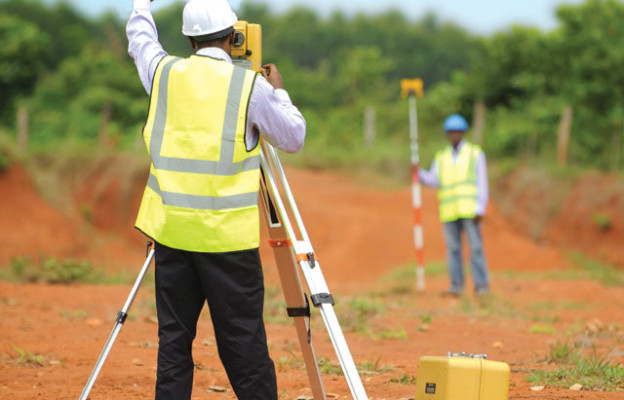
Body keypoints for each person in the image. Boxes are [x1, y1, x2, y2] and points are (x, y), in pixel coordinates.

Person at [126, 0, 306, 399]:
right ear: (234, 35)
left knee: (173, 343)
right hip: (227, 244)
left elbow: (141, 42)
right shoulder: (249, 86)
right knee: (244, 346)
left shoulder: (164, 73)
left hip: (172, 236)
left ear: (188, 38)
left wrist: (141, 4)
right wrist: (280, 92)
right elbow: (293, 137)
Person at [419, 114, 490, 297]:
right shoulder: (441, 157)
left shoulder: (475, 153)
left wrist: (480, 207)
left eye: (457, 131)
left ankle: (481, 286)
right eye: (451, 132)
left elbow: (482, 181)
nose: (454, 135)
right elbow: (434, 180)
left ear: (463, 132)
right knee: (453, 250)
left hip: (470, 210)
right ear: (447, 134)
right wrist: (417, 172)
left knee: (475, 248)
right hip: (449, 211)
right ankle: (456, 286)